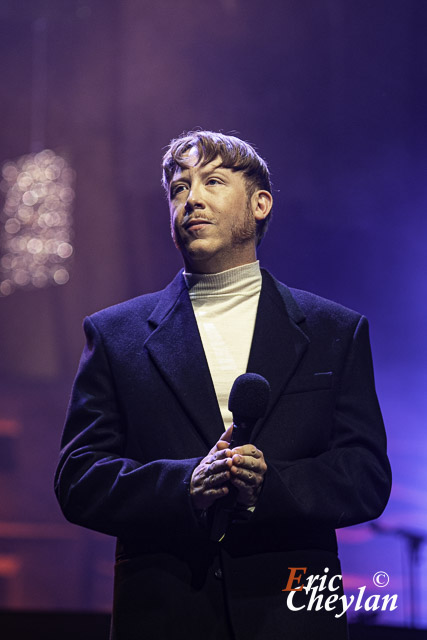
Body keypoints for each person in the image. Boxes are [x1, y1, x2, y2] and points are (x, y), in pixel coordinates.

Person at [54, 131, 392, 640]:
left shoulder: (334, 331)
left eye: (212, 180)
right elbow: (79, 478)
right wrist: (184, 485)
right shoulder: (114, 334)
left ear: (260, 204)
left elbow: (366, 476)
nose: (191, 198)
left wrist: (269, 487)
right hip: (165, 616)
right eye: (178, 187)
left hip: (293, 616)